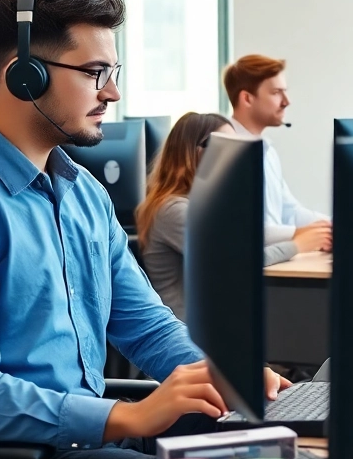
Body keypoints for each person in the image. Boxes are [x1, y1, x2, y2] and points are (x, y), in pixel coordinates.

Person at [0, 0, 287, 459]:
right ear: (25, 76)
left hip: (99, 451)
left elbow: (148, 328)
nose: (112, 93)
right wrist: (127, 415)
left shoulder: (84, 195)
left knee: (265, 447)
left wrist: (223, 375)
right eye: (95, 73)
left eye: (111, 73)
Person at [136, 112, 333, 320]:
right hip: (187, 338)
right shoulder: (173, 210)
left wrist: (304, 233)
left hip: (210, 328)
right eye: (226, 147)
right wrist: (296, 245)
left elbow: (247, 235)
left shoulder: (205, 206)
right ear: (194, 153)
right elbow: (237, 263)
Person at [223, 54, 331, 249]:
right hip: (256, 268)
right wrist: (305, 235)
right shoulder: (227, 155)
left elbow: (290, 211)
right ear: (247, 98)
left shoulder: (266, 151)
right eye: (276, 93)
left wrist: (333, 226)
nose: (286, 101)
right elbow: (244, 230)